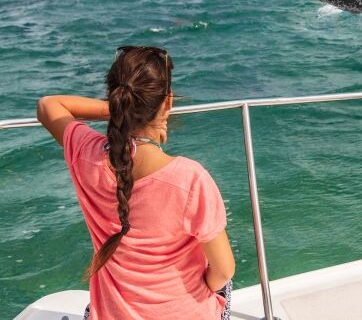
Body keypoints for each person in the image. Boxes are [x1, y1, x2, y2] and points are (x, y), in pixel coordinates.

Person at [37, 46, 235, 318]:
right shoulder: (189, 178)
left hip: (111, 314)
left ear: (117, 99)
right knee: (225, 283)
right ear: (167, 103)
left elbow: (48, 105)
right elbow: (223, 271)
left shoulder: (85, 155)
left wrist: (122, 112)